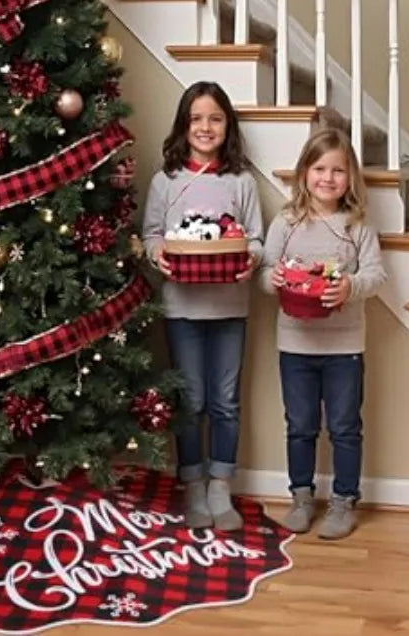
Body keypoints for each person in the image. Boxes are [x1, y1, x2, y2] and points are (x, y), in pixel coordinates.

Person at [142, 81, 263, 530]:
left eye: (215, 118)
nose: (205, 127)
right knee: (190, 399)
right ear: (183, 125)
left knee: (226, 400)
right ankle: (192, 483)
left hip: (230, 305)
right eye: (196, 118)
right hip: (182, 307)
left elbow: (256, 238)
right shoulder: (165, 181)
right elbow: (153, 234)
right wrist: (157, 255)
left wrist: (251, 258)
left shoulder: (241, 182)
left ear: (227, 125)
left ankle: (220, 485)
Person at [260, 127, 386, 540]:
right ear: (303, 173)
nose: (328, 178)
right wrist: (273, 277)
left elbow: (375, 275)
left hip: (345, 346)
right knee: (300, 425)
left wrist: (349, 287)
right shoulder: (286, 222)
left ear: (350, 178)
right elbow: (264, 274)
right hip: (294, 344)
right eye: (319, 168)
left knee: (346, 426)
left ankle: (343, 501)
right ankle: (301, 498)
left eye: (338, 170)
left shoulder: (356, 226)